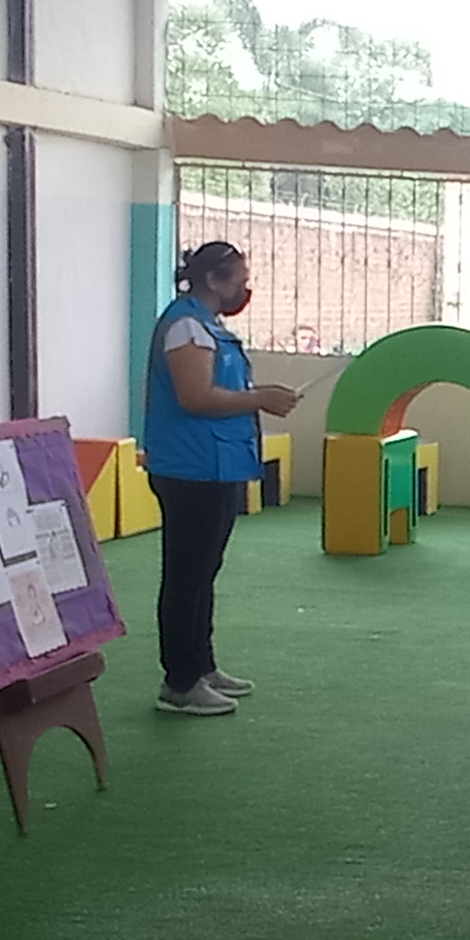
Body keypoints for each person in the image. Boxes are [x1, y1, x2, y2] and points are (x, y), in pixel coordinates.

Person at [140, 240, 299, 717]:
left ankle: (202, 666)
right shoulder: (186, 326)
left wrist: (258, 395)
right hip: (190, 469)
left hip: (215, 465)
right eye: (240, 281)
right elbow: (196, 397)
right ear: (212, 280)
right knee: (186, 576)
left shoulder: (207, 325)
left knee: (204, 571)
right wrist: (261, 398)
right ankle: (180, 682)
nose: (244, 290)